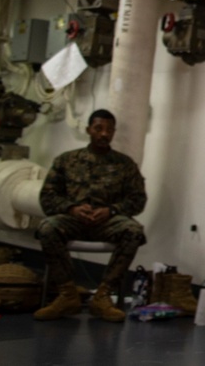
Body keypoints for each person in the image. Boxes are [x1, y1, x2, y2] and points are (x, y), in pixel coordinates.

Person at [34, 108, 147, 322]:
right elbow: (47, 197)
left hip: (108, 222)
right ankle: (67, 294)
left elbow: (138, 200)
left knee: (133, 231)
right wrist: (71, 208)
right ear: (88, 130)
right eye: (99, 128)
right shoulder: (66, 161)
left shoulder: (125, 165)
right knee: (47, 228)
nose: (104, 134)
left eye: (109, 130)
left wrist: (112, 210)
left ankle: (103, 296)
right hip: (72, 220)